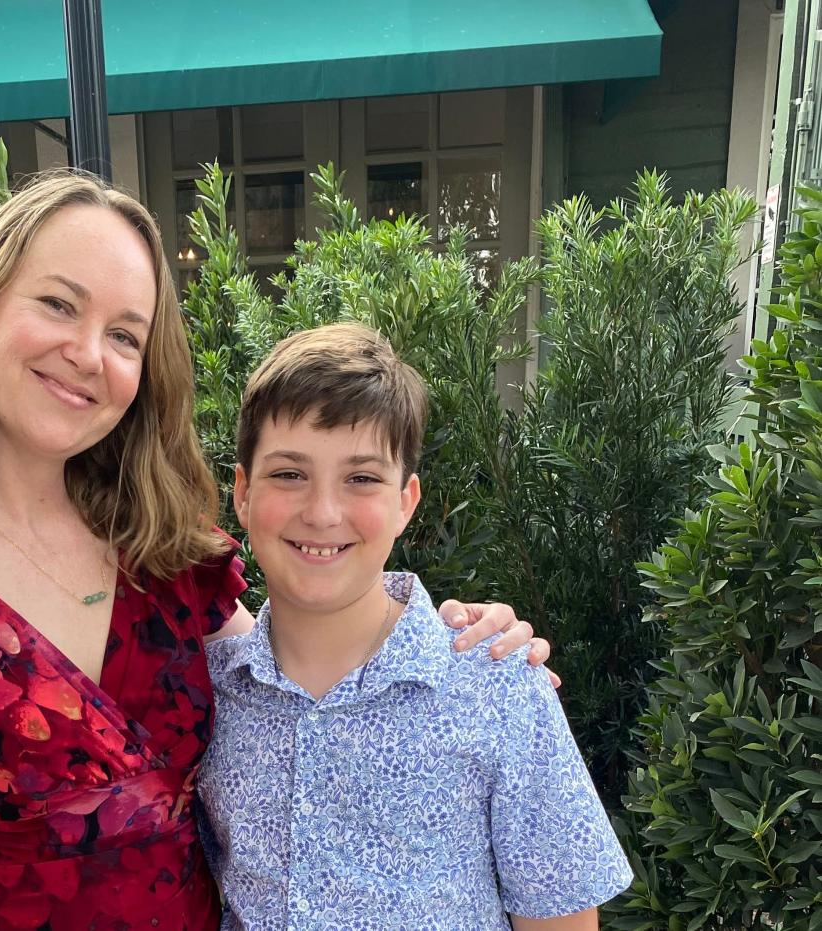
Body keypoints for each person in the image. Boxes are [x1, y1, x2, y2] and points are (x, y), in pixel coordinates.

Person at [0, 171, 550, 931]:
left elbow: (302, 684)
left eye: (124, 334)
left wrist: (464, 648)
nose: (88, 353)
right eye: (59, 303)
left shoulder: (166, 554)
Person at [198, 323, 632, 930]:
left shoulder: (497, 685)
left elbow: (561, 918)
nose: (323, 512)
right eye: (289, 474)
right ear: (242, 494)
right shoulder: (207, 694)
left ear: (406, 501)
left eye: (362, 478)